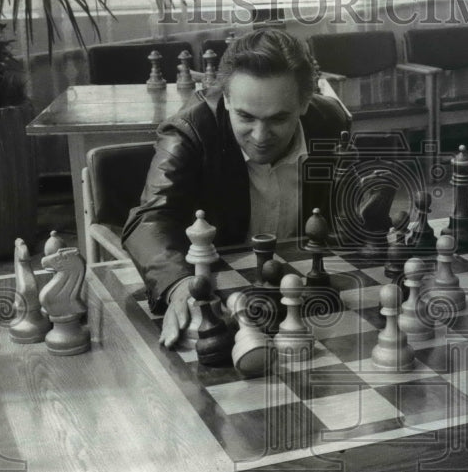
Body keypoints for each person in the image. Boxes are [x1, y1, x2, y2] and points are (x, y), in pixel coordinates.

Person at [123, 28, 351, 348]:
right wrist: (179, 285)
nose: (260, 136)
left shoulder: (331, 122)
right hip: (219, 301)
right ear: (227, 98)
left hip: (299, 301)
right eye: (246, 117)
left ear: (304, 103)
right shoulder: (190, 129)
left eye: (278, 119)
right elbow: (148, 219)